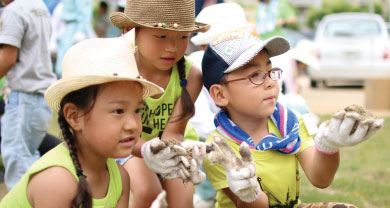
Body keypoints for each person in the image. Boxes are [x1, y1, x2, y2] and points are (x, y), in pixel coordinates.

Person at [201, 30, 384, 207]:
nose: (271, 82)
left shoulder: (289, 123)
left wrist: (329, 145)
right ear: (220, 95)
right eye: (255, 75)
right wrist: (249, 192)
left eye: (270, 70)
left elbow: (321, 179)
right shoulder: (218, 149)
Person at [0, 31, 166, 207]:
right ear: (74, 116)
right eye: (118, 111)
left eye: (138, 110)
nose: (133, 124)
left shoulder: (120, 177)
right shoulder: (58, 181)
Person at [109, 0, 210, 207]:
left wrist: (170, 155)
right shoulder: (120, 72)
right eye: (161, 36)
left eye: (183, 37)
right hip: (126, 145)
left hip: (170, 147)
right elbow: (116, 132)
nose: (172, 48)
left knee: (183, 197)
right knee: (149, 192)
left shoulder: (191, 76)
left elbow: (174, 132)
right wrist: (147, 151)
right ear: (131, 31)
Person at [188, 2, 254, 207]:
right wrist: (233, 134)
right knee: (212, 149)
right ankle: (208, 194)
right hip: (215, 135)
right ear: (203, 48)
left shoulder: (250, 64)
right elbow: (199, 119)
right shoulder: (196, 67)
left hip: (247, 134)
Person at [0, 0, 57, 190]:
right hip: (41, 96)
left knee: (17, 162)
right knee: (28, 157)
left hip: (23, 96)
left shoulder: (13, 11)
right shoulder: (39, 7)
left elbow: (7, 58)